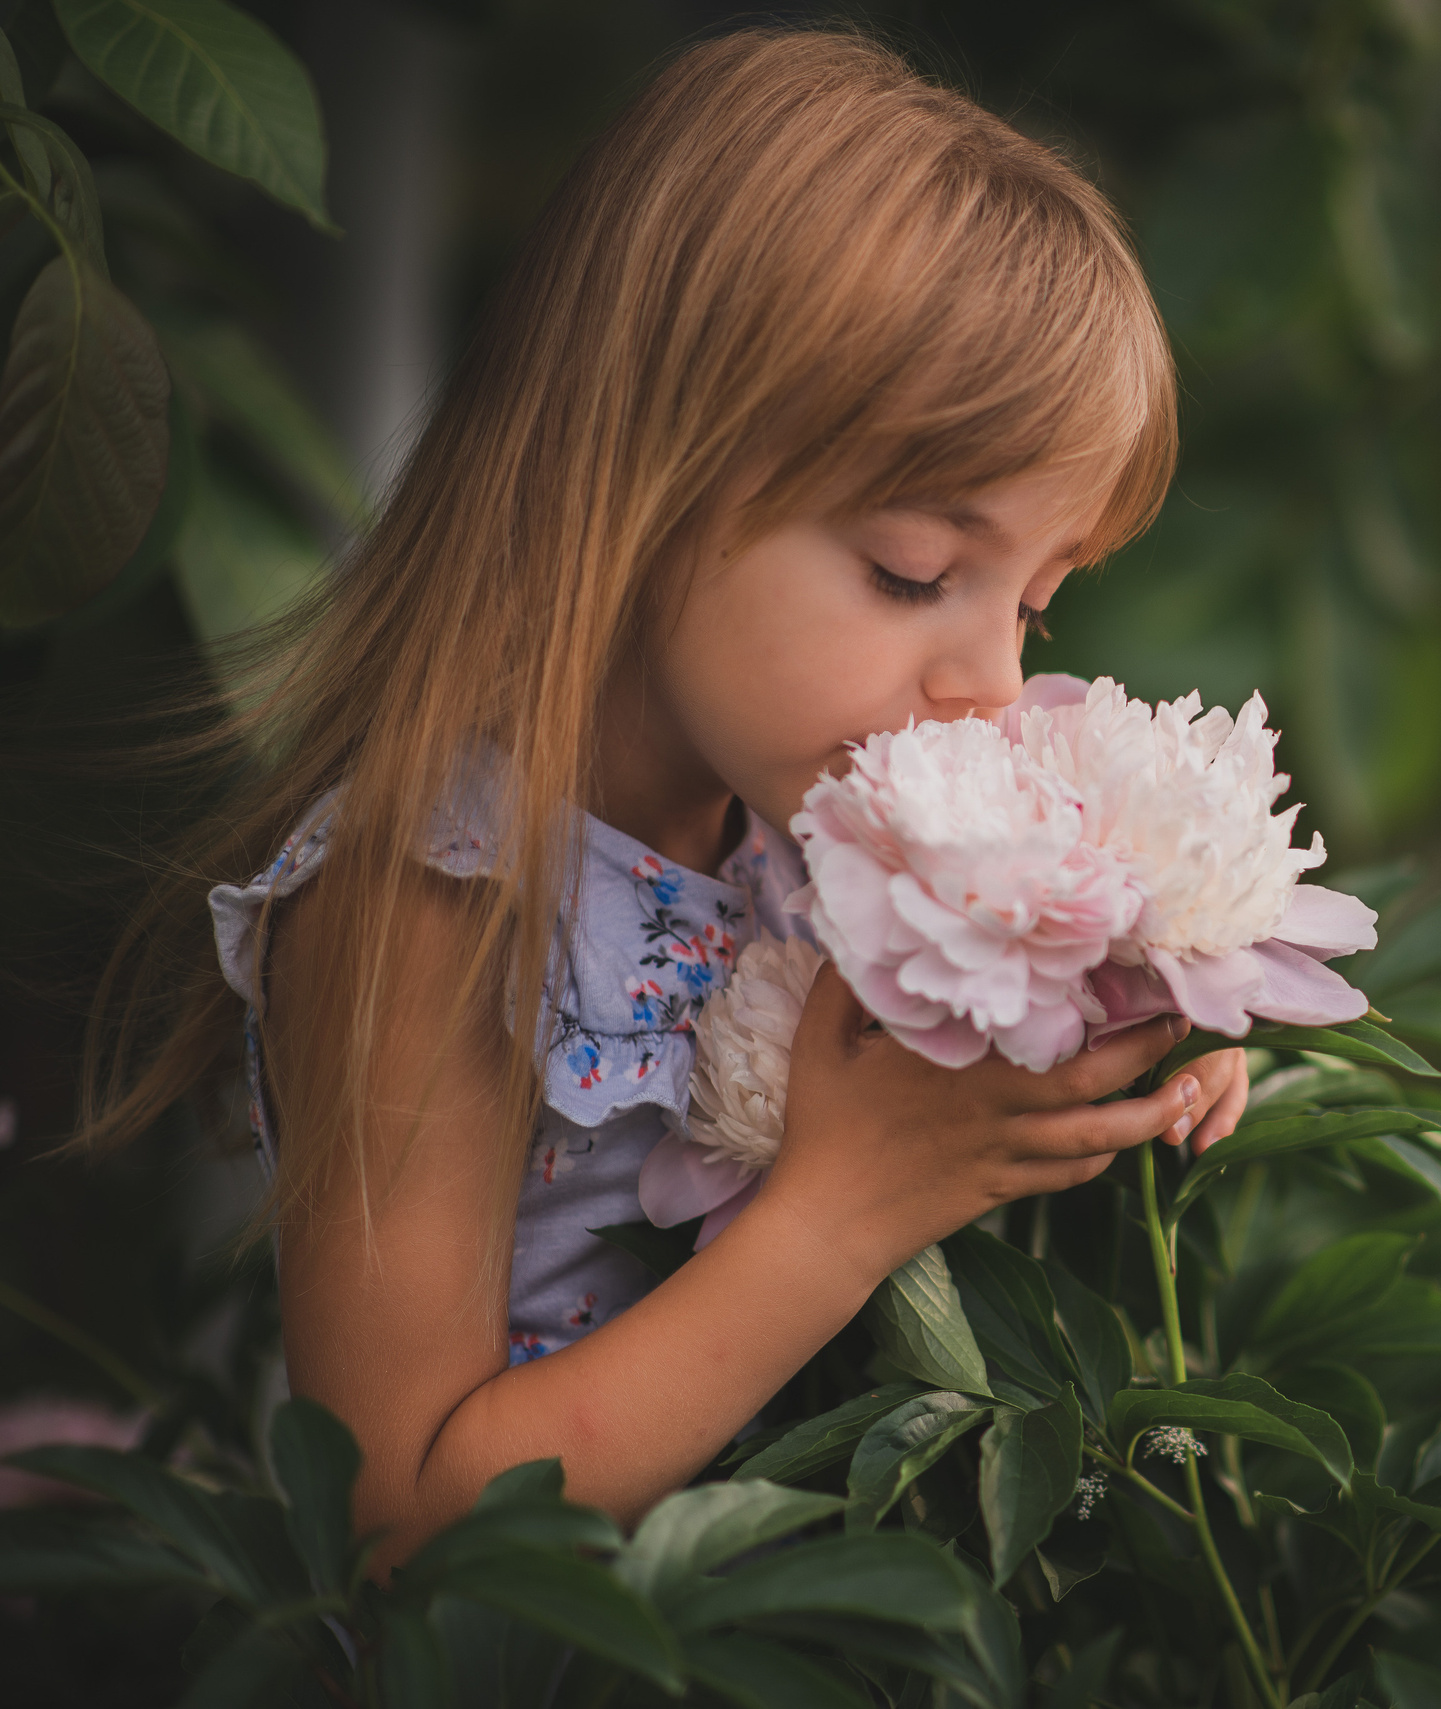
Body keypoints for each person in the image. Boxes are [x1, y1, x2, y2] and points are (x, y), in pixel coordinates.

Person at [76, 28, 1250, 1566]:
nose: (985, 681)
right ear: (643, 474)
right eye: (913, 570)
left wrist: (1088, 1063)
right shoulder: (434, 893)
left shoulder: (806, 834)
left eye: (1034, 606)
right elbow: (402, 1529)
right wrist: (837, 1217)